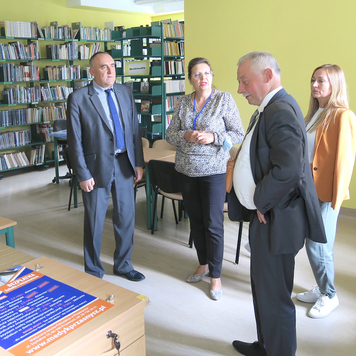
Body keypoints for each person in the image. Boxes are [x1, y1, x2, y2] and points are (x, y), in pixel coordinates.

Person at [229, 51, 326, 356]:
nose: (241, 89)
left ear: (268, 76)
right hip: (267, 216)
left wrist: (260, 201)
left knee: (275, 296)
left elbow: (288, 170)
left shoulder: (280, 109)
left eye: (245, 81)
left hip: (275, 218)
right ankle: (266, 345)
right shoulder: (270, 108)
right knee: (263, 290)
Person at [165, 57, 244, 301]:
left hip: (213, 172)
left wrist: (214, 137)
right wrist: (186, 135)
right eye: (198, 74)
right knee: (196, 222)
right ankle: (203, 263)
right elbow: (169, 134)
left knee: (213, 224)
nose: (203, 78)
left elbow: (238, 133)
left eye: (207, 73)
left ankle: (216, 275)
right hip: (186, 171)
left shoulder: (224, 99)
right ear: (190, 79)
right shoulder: (182, 102)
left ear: (212, 75)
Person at [67, 52, 145, 282]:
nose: (111, 71)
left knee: (126, 217)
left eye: (112, 65)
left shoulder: (125, 92)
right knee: (94, 220)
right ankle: (93, 271)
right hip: (95, 167)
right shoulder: (79, 98)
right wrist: (82, 173)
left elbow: (134, 130)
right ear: (92, 72)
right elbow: (75, 140)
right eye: (104, 67)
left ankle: (123, 264)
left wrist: (138, 162)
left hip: (124, 164)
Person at [296, 64, 356, 318]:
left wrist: (335, 199)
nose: (314, 85)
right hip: (307, 189)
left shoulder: (343, 115)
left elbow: (345, 161)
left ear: (335, 84)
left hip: (326, 193)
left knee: (319, 247)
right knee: (314, 245)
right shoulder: (313, 115)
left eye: (321, 81)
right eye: (313, 80)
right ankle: (322, 287)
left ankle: (329, 295)